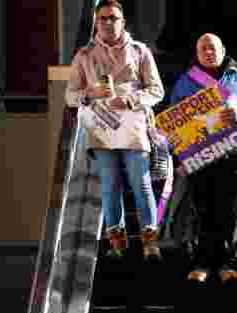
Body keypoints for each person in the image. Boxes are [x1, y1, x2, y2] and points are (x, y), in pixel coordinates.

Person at [66, 0, 164, 260]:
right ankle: (117, 242)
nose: (109, 23)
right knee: (110, 187)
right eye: (104, 18)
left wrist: (130, 99)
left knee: (141, 184)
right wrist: (90, 93)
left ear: (123, 22)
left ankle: (150, 242)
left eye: (114, 18)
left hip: (132, 127)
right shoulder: (84, 55)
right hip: (102, 128)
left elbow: (157, 91)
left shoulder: (140, 51)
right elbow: (69, 95)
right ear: (96, 22)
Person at [169, 33, 237, 283]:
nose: (208, 52)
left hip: (233, 154)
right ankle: (201, 263)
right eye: (203, 48)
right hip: (200, 155)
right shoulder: (185, 81)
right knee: (201, 209)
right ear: (196, 53)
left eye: (213, 47)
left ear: (224, 51)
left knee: (230, 210)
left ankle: (227, 262)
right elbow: (173, 120)